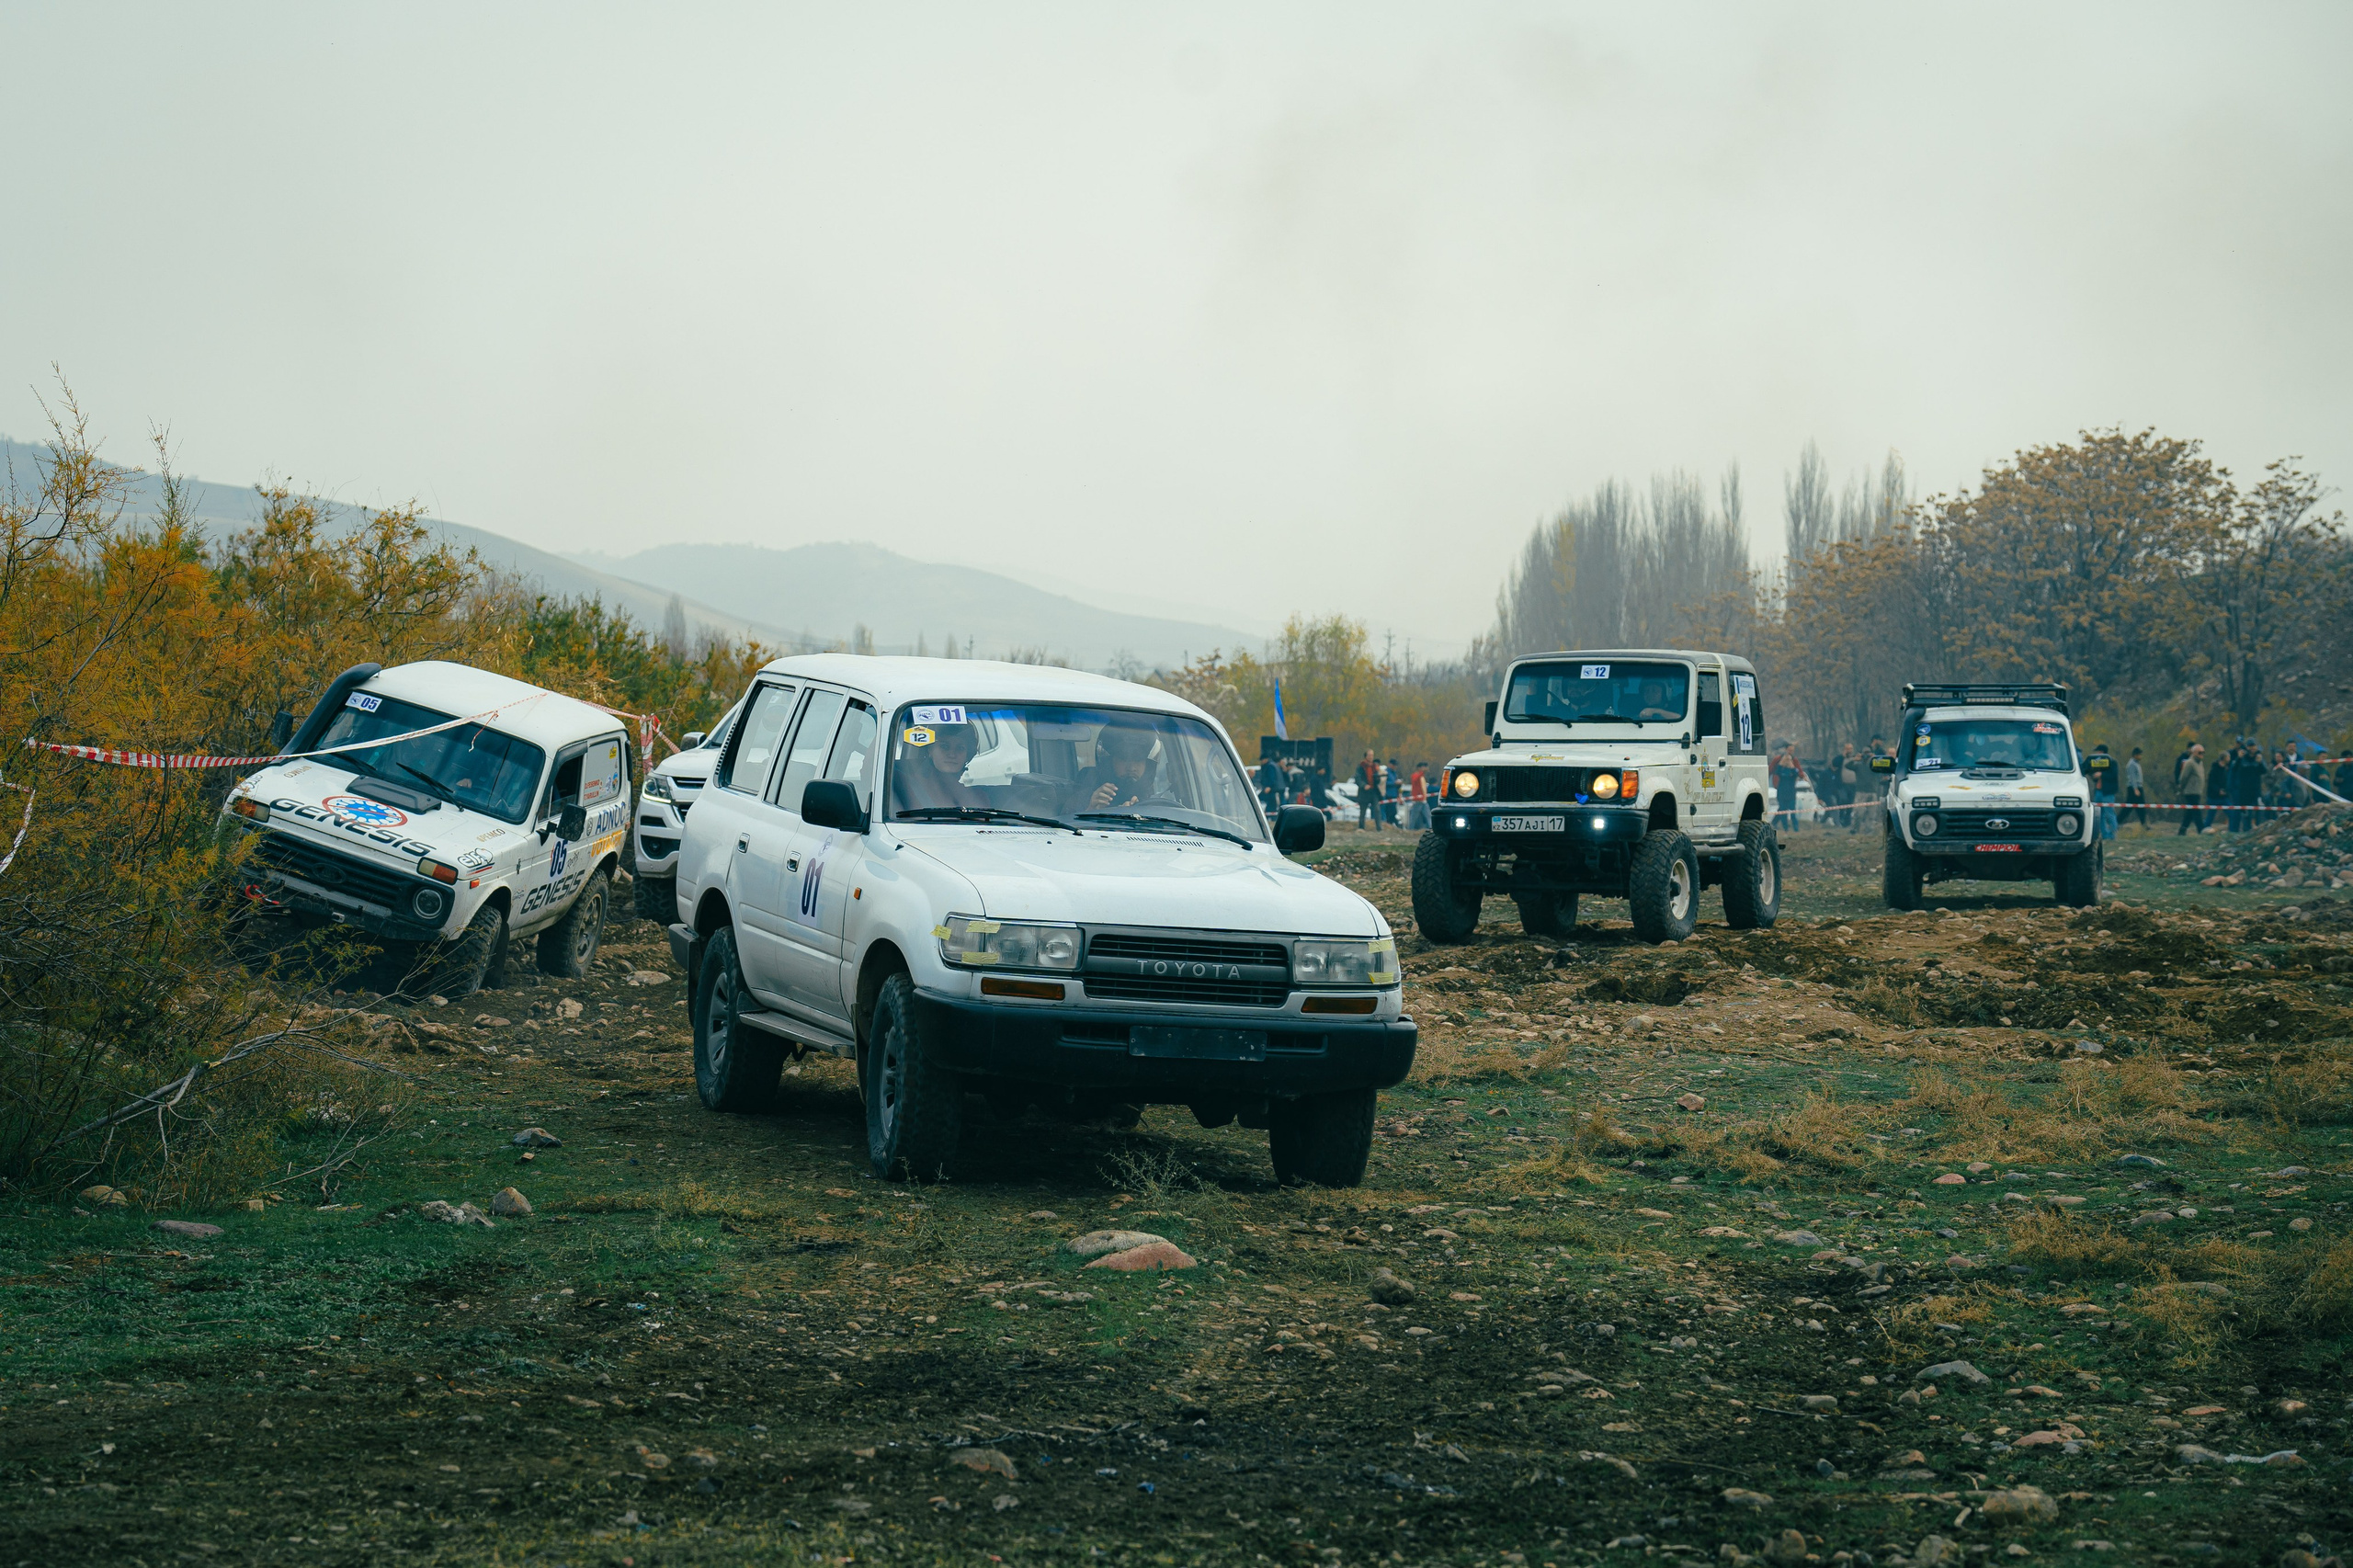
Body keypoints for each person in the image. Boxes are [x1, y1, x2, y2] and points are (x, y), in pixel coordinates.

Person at [893, 722, 990, 812]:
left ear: (967, 755)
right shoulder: (905, 787)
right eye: (944, 746)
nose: (952, 754)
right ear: (930, 750)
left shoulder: (979, 796)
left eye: (960, 748)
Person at [1077, 724, 1170, 813]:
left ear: (1148, 764)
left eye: (1138, 760)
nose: (1132, 768)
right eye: (1124, 759)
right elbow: (1070, 823)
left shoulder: (1159, 803)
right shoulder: (1086, 796)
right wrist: (1091, 810)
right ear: (1108, 762)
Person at [1770, 741, 1804, 832]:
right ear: (1786, 750)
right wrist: (1782, 763)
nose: (1790, 753)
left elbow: (1798, 773)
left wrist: (1791, 765)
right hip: (1781, 790)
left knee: (1792, 811)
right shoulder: (1779, 761)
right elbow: (1774, 771)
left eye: (1792, 751)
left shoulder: (1794, 762)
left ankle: (1795, 829)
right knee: (1782, 810)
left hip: (1791, 791)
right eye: (1789, 750)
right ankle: (1785, 828)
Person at [2175, 742, 2207, 835]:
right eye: (2200, 752)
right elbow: (2183, 777)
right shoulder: (2190, 763)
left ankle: (2182, 830)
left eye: (2203, 752)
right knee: (2197, 812)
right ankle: (2201, 830)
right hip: (2190, 791)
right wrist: (2181, 788)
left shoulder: (2200, 763)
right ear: (2194, 753)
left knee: (2189, 813)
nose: (2202, 754)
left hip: (2197, 791)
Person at [2087, 744, 2118, 839]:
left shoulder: (2112, 762)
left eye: (2098, 751)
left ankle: (2113, 834)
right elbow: (2093, 774)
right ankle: (2104, 835)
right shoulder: (2098, 763)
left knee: (2109, 814)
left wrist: (2101, 775)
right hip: (2098, 791)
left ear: (2102, 752)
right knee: (2099, 815)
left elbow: (2113, 776)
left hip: (2107, 793)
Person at [1355, 750, 1380, 830]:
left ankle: (1379, 828)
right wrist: (1364, 785)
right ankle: (1361, 827)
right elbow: (1357, 778)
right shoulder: (1361, 766)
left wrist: (1378, 778)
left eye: (1372, 755)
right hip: (1364, 792)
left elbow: (1377, 780)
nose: (1371, 757)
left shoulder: (1375, 766)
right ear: (1366, 756)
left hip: (1373, 791)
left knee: (1377, 809)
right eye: (1369, 755)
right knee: (1363, 811)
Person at [2123, 747, 2147, 829]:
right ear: (2135, 755)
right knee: (2129, 808)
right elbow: (2132, 778)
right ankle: (2117, 822)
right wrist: (2135, 789)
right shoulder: (2132, 764)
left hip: (2137, 787)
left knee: (2140, 807)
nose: (2141, 756)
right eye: (2139, 755)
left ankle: (2144, 824)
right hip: (2134, 788)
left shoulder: (2136, 763)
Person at [1407, 762, 1430, 831]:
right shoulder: (1415, 775)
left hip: (1423, 800)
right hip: (1418, 800)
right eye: (1423, 767)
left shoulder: (1422, 777)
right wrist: (1421, 773)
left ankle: (1431, 829)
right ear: (1419, 768)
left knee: (1428, 815)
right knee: (1414, 817)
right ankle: (1410, 829)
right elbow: (1415, 780)